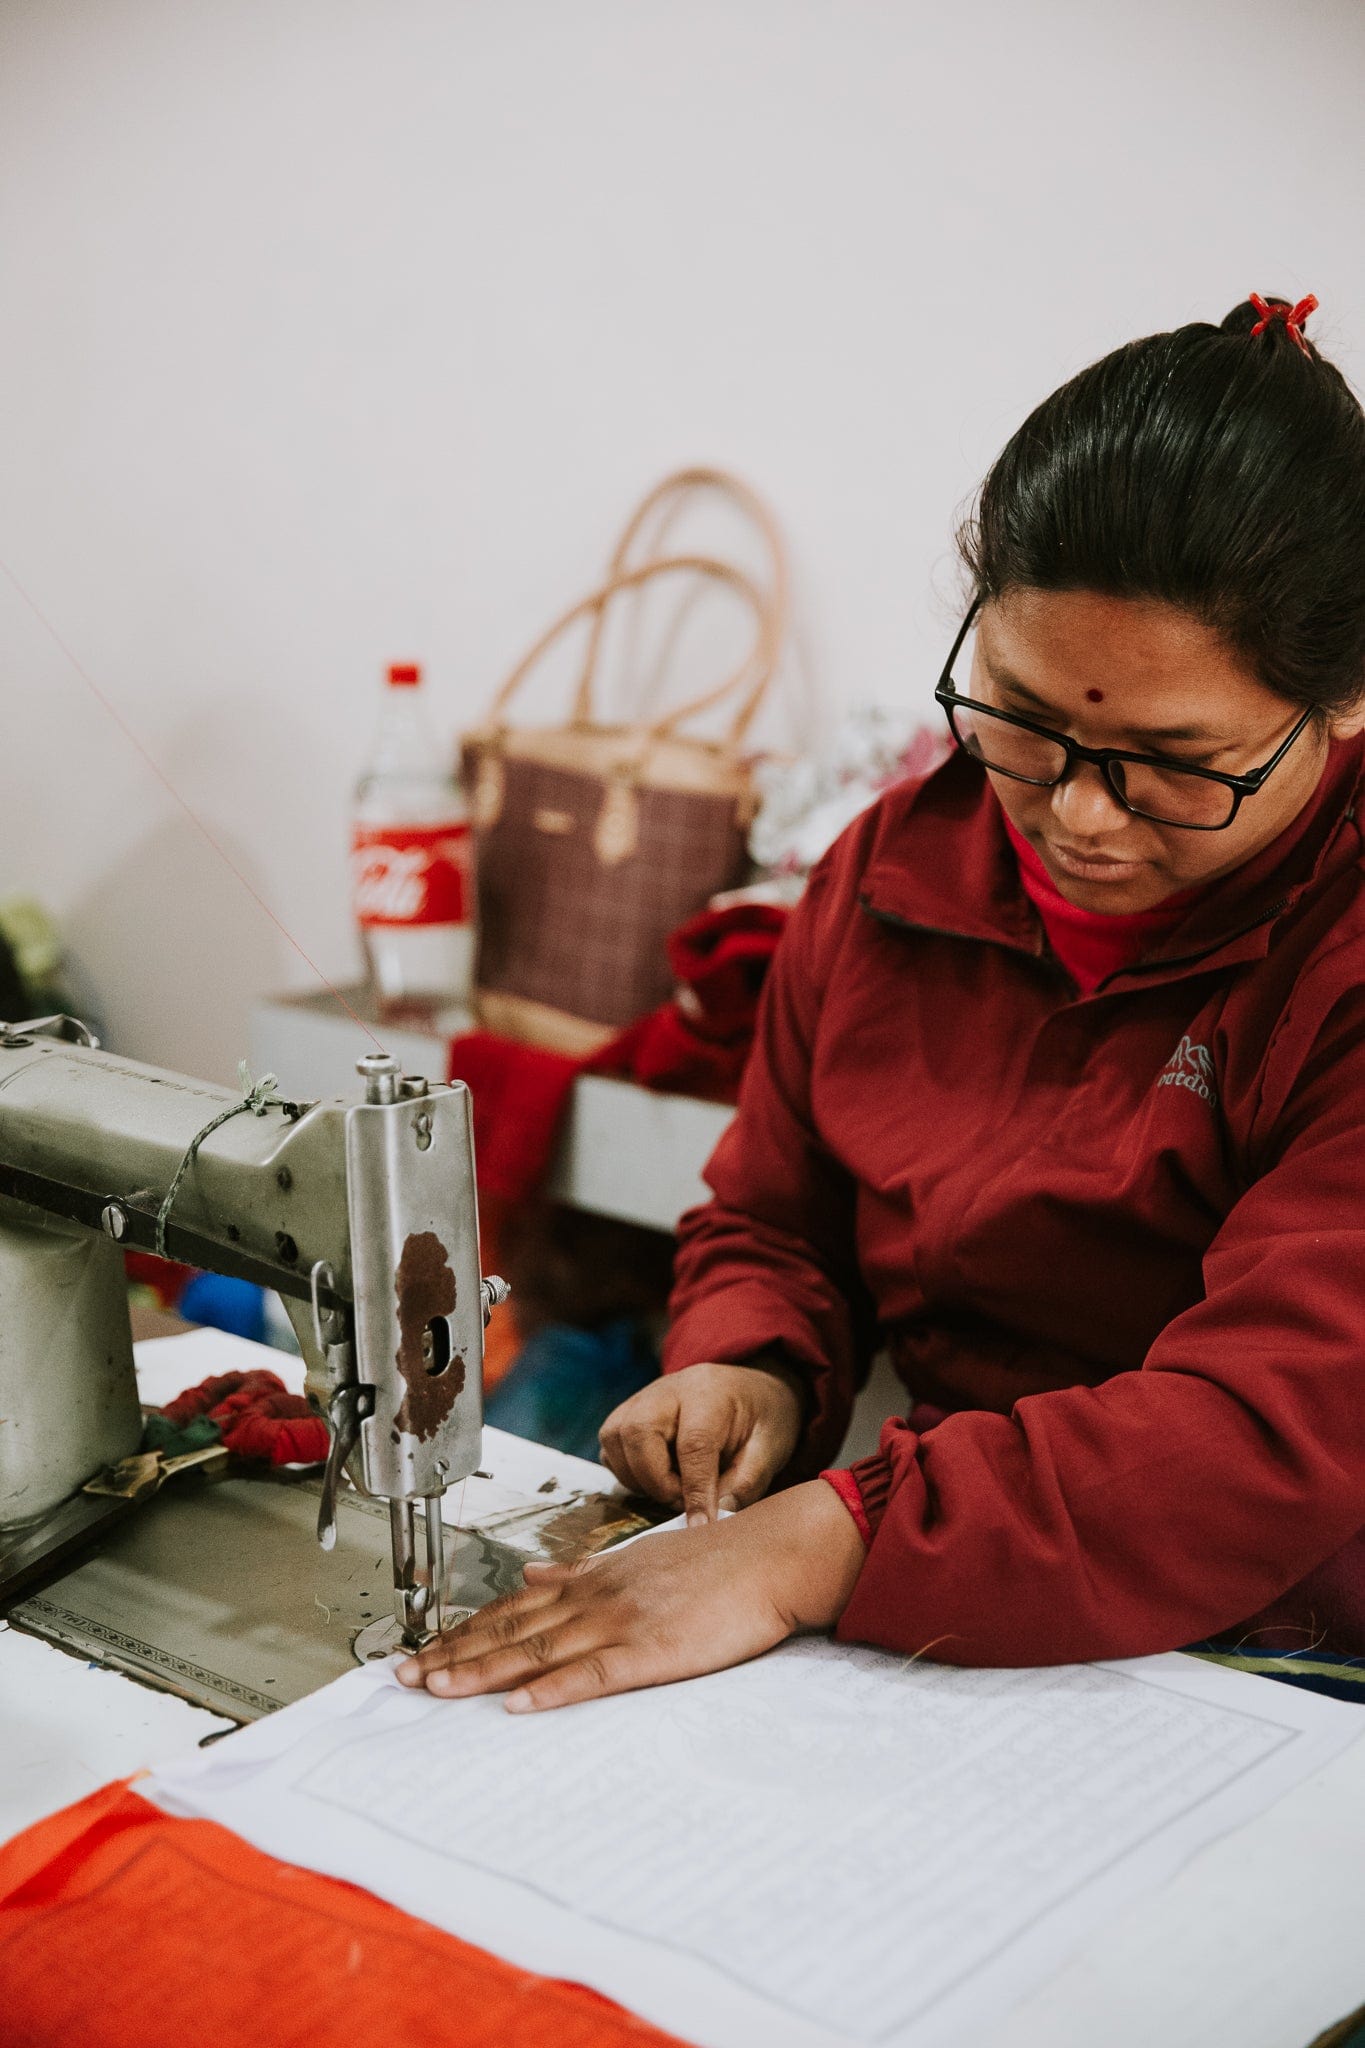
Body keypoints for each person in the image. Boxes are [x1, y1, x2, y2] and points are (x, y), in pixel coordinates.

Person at [399, 291, 1365, 1713]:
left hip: (1285, 1648)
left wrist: (822, 1541)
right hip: (956, 1587)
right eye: (1024, 720)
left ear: (1341, 703)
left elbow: (1258, 1431)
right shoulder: (895, 871)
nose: (1079, 816)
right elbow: (772, 1213)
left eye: (1173, 762)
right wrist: (750, 1366)